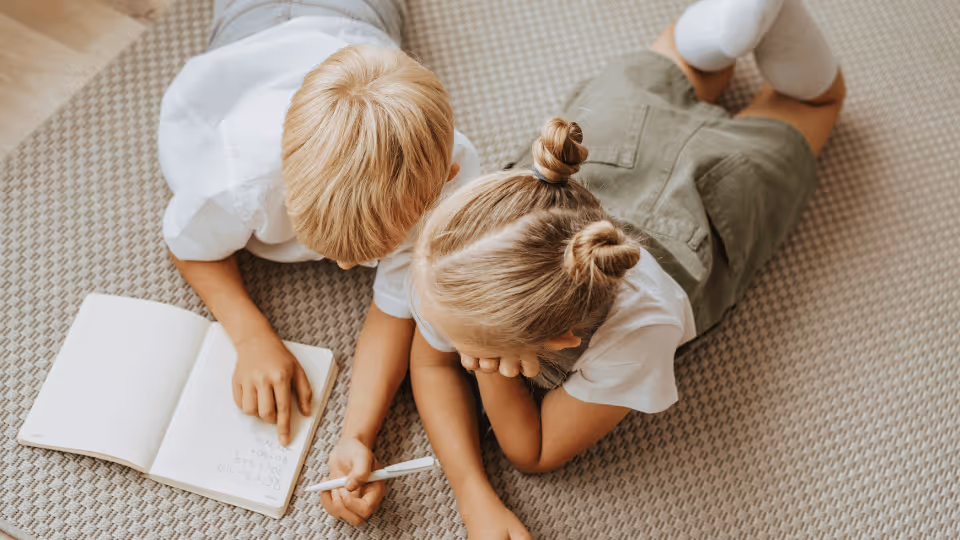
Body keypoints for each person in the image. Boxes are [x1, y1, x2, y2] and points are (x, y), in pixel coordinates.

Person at [407, 0, 845, 537]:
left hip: (711, 197)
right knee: (670, 69)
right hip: (610, 144)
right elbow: (429, 364)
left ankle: (727, 33)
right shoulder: (458, 254)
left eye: (473, 349)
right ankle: (714, 37)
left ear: (563, 338)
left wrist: (487, 373)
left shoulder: (638, 332)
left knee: (816, 101)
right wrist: (473, 493)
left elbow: (534, 449)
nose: (437, 337)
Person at [157, 0, 480, 525]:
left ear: (446, 176)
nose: (350, 271)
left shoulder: (452, 175)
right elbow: (186, 244)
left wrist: (357, 433)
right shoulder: (241, 181)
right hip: (255, 22)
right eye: (331, 249)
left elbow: (397, 307)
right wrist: (250, 333)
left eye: (370, 253)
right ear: (285, 185)